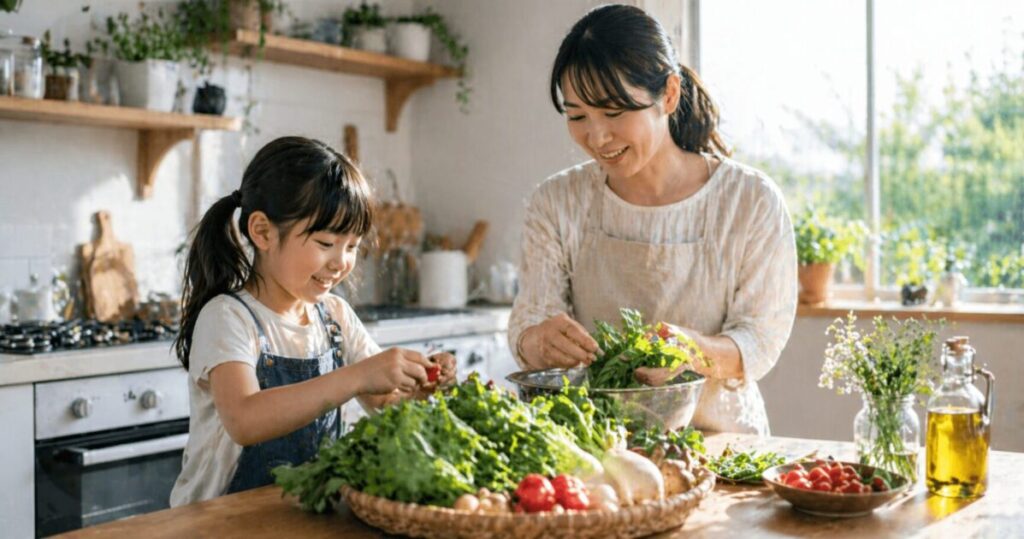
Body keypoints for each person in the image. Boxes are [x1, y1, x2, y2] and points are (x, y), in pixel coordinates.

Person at [508, 5, 797, 435]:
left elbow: (761, 338)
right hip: (602, 447)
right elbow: (530, 319)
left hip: (723, 446)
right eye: (577, 116)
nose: (597, 136)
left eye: (613, 112)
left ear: (669, 95)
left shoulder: (750, 201)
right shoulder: (557, 202)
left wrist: (693, 351)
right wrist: (536, 341)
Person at [170, 136, 455, 506]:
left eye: (352, 246)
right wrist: (357, 375)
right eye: (325, 243)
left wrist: (419, 386)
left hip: (303, 513)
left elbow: (384, 400)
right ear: (262, 232)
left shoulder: (334, 317)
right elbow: (244, 419)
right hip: (220, 522)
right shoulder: (228, 318)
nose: (341, 262)